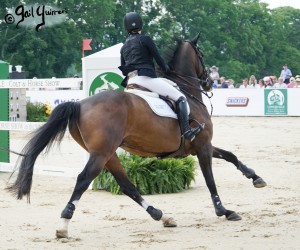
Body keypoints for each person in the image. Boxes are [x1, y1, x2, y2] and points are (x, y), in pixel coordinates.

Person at [119, 12, 202, 141]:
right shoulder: (145, 39)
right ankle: (187, 131)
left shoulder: (123, 47)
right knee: (180, 97)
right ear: (140, 24)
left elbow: (123, 68)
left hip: (130, 82)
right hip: (145, 79)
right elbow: (158, 59)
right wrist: (166, 69)